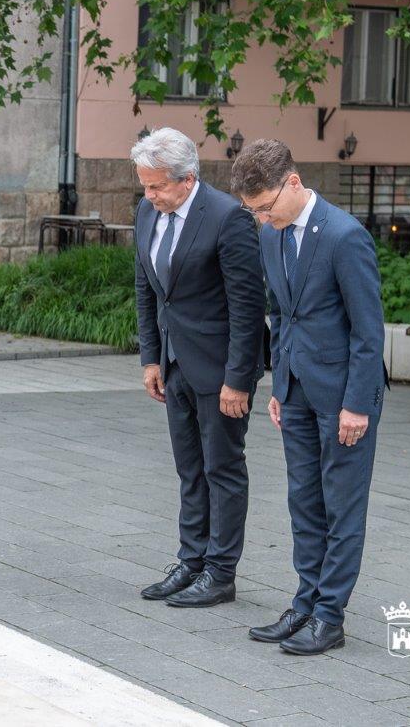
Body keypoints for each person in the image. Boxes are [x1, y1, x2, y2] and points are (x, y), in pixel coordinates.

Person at [230, 138, 386, 656]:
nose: (261, 219)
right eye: (253, 212)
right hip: (295, 391)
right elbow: (281, 314)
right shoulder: (271, 235)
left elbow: (369, 331)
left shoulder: (345, 236)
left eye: (265, 207)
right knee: (304, 502)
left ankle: (329, 616)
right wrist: (280, 385)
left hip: (344, 399)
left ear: (293, 182)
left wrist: (357, 405)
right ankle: (305, 603)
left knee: (341, 508)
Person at [133, 128, 265, 609]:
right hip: (174, 364)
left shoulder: (229, 218)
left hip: (220, 370)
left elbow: (248, 307)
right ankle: (191, 561)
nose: (149, 195)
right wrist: (151, 357)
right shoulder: (148, 211)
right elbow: (147, 289)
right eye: (145, 186)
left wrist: (238, 379)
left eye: (157, 186)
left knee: (222, 469)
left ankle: (220, 572)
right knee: (189, 469)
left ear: (187, 178)